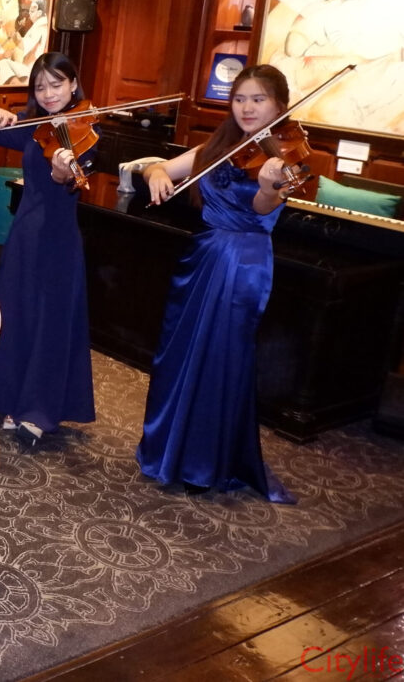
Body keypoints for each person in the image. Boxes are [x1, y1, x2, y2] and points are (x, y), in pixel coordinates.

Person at [135, 64, 297, 503]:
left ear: (279, 105)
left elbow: (263, 208)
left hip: (243, 263)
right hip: (203, 256)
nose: (247, 107)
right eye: (240, 98)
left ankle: (204, 463)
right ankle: (168, 451)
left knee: (221, 359)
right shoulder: (217, 146)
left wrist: (269, 187)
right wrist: (157, 174)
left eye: (258, 99)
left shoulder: (284, 159)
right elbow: (158, 167)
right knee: (180, 356)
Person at [0, 51, 96, 448]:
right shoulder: (33, 126)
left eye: (57, 84)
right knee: (15, 315)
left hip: (59, 240)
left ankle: (39, 409)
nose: (49, 94)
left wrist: (61, 170)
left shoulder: (87, 129)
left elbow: (70, 179)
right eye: (40, 87)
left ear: (73, 84)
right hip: (24, 234)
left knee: (50, 323)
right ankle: (8, 399)